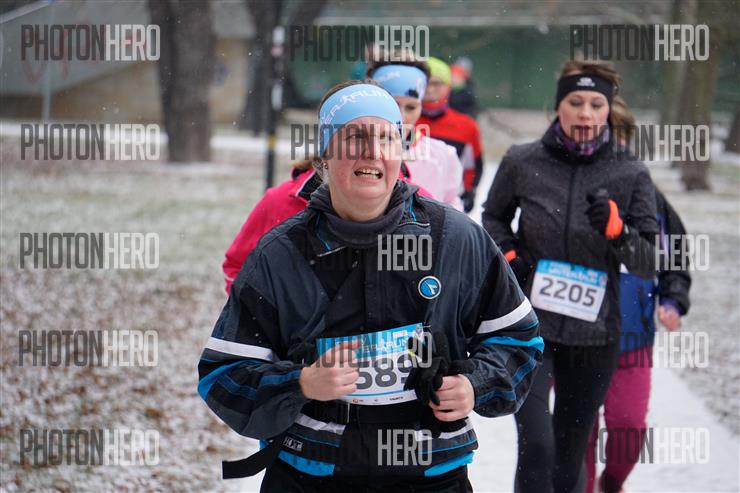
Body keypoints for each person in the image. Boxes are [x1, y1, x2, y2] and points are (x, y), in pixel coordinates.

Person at [199, 80, 543, 492]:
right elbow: (224, 374)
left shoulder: (454, 238)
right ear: (325, 154)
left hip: (430, 475)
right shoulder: (281, 253)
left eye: (386, 138)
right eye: (355, 137)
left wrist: (475, 384)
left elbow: (519, 339)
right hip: (311, 476)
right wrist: (302, 383)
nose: (372, 151)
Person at [482, 60, 659, 493]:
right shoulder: (523, 160)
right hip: (529, 328)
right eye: (575, 102)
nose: (585, 113)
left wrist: (618, 232)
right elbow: (493, 216)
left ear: (608, 110)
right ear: (557, 106)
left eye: (596, 104)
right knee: (538, 445)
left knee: (568, 451)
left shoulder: (630, 172)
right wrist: (510, 255)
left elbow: (648, 261)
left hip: (594, 336)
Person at [584, 97, 692, 493]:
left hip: (633, 337)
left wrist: (672, 300)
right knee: (579, 430)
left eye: (616, 139)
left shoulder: (652, 198)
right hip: (576, 334)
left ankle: (612, 482)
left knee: (629, 428)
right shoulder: (567, 190)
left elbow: (674, 256)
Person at [367, 54, 464, 210]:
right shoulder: (350, 151)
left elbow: (453, 213)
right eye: (392, 105)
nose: (401, 117)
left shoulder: (442, 156)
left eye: (411, 107)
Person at [418, 57, 484, 213]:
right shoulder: (402, 120)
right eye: (425, 83)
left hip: (446, 206)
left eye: (437, 83)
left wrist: (469, 190)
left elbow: (473, 165)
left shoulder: (466, 126)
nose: (430, 89)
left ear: (448, 86)